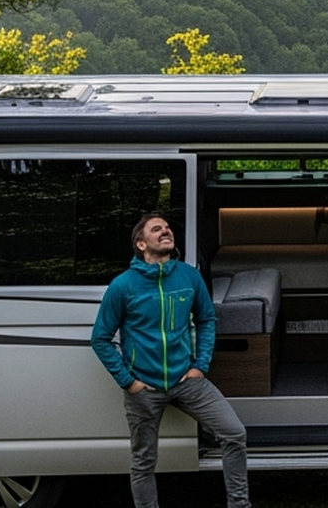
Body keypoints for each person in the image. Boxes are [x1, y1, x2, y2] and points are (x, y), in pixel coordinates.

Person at [91, 214, 251, 508]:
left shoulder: (188, 276)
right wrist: (129, 382)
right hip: (144, 389)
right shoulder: (123, 285)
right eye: (156, 229)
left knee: (234, 432)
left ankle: (239, 505)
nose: (166, 231)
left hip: (185, 381)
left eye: (167, 228)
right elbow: (100, 338)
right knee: (143, 462)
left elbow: (206, 319)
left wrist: (200, 366)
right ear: (141, 243)